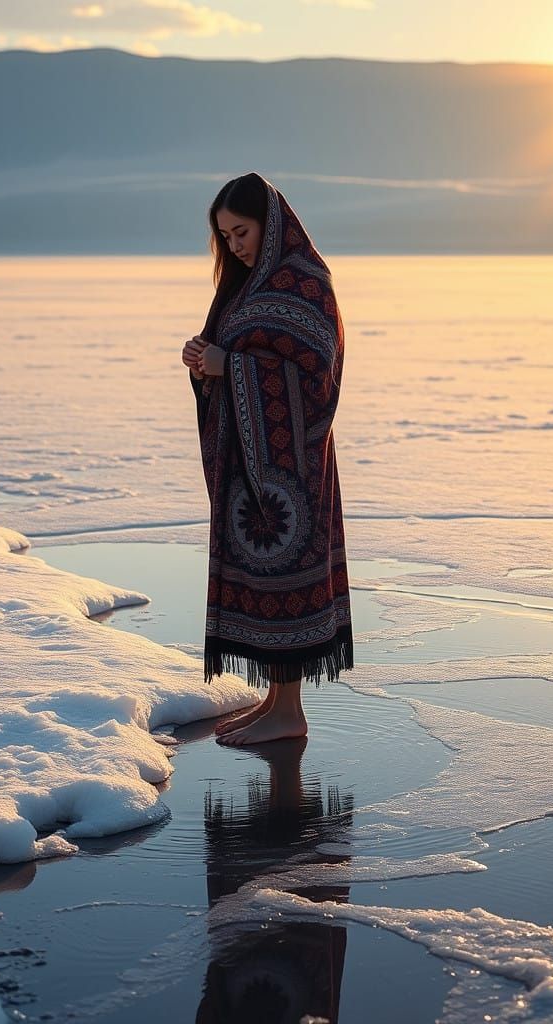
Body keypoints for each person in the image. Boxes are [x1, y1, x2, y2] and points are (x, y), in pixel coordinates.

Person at [181, 172, 354, 747]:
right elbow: (242, 352)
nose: (234, 245)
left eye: (242, 231)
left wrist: (227, 364)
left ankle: (290, 712)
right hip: (250, 463)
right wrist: (206, 360)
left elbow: (316, 372)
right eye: (225, 237)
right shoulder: (247, 284)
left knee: (286, 573)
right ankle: (276, 702)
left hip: (293, 469)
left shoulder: (305, 281)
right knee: (265, 572)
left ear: (270, 223)